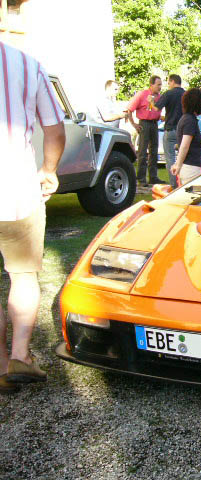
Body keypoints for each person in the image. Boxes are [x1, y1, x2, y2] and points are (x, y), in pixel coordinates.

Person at [0, 40, 66, 393]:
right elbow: (55, 129)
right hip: (16, 193)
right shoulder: (26, 65)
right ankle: (20, 356)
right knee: (23, 276)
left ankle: (0, 365)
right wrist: (48, 170)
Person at [127, 75, 163, 186]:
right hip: (144, 123)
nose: (160, 87)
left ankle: (153, 177)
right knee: (143, 151)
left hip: (154, 124)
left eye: (161, 85)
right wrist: (134, 124)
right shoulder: (142, 95)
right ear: (151, 85)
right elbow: (129, 109)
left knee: (154, 151)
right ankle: (141, 178)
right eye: (158, 85)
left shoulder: (159, 97)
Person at [151, 74, 185, 189]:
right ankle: (184, 183)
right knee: (183, 158)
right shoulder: (186, 94)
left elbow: (156, 108)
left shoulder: (169, 94)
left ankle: (174, 186)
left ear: (173, 81)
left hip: (170, 130)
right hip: (183, 131)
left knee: (170, 159)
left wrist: (151, 101)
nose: (168, 85)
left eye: (169, 82)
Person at [171, 88, 201, 185]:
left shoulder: (186, 119)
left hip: (188, 167)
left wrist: (178, 164)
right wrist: (178, 165)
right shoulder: (190, 120)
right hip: (190, 169)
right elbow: (185, 145)